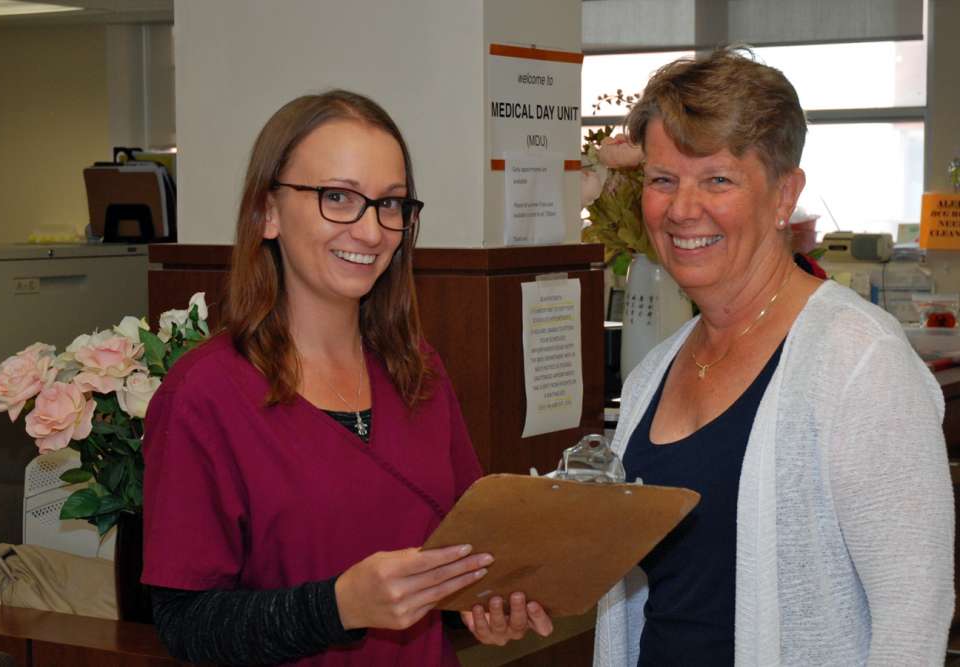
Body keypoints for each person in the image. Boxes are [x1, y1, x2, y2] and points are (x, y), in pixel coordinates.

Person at [141, 90, 553, 666]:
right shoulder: (204, 395)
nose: (370, 231)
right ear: (267, 212)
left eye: (391, 204)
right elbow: (187, 626)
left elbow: (465, 549)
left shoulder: (417, 371)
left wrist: (484, 603)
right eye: (337, 197)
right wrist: (337, 607)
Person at [594, 48, 954, 666]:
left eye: (718, 179)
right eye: (662, 179)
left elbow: (912, 614)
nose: (682, 209)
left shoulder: (858, 361)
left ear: (785, 194)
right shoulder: (656, 370)